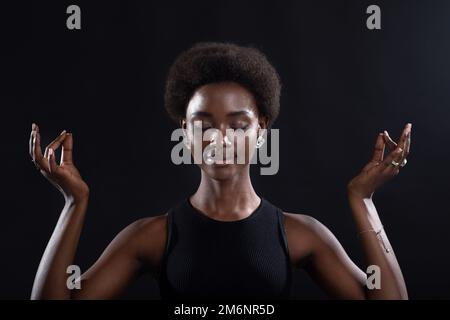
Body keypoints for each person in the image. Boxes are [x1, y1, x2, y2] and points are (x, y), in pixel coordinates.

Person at [29, 42, 410, 300]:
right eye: (204, 123)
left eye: (239, 124)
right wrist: (73, 202)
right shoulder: (152, 237)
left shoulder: (299, 234)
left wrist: (363, 200)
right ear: (185, 133)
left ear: (261, 130)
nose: (220, 138)